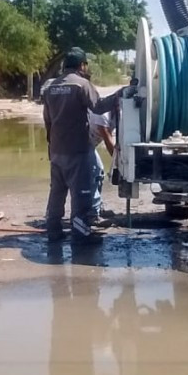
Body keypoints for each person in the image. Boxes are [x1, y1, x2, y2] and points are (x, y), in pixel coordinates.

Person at [43, 48, 118, 242]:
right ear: (81, 65)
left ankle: (53, 231)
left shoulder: (51, 87)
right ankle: (81, 235)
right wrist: (119, 95)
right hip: (77, 149)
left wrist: (51, 146)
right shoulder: (82, 84)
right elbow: (99, 107)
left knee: (57, 192)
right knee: (81, 194)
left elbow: (47, 121)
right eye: (86, 65)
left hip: (57, 150)